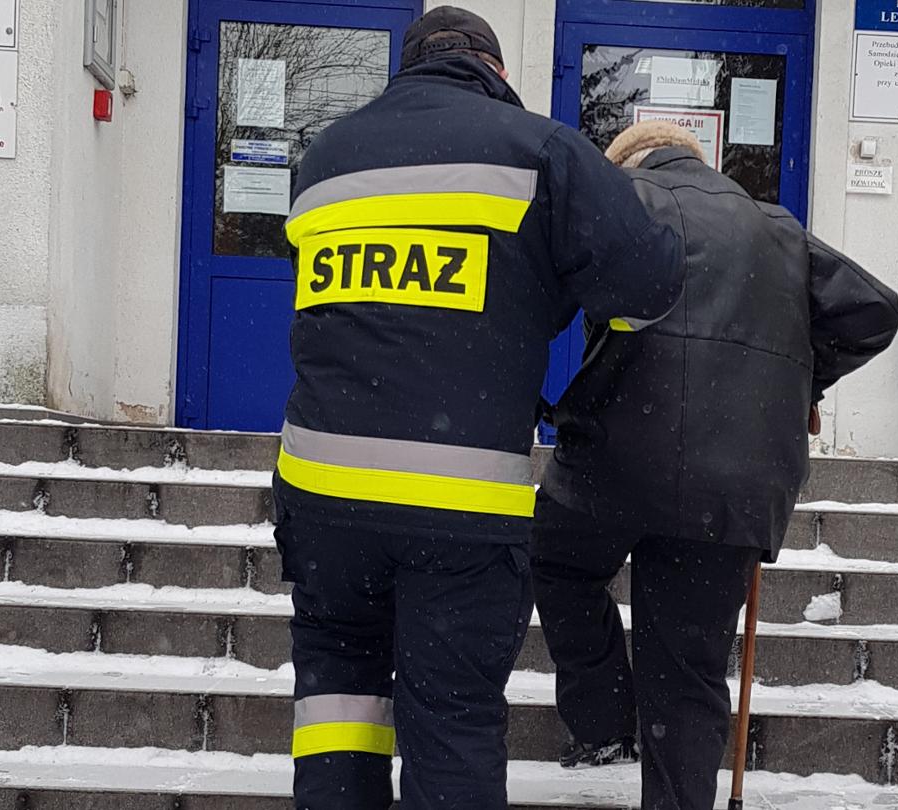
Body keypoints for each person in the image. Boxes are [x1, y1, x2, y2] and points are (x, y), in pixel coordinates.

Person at [273, 8, 684, 810]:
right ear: (495, 71)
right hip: (456, 507)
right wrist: (551, 296)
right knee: (452, 721)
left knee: (336, 707)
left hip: (322, 501)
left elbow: (356, 304)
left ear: (408, 67)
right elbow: (648, 283)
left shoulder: (323, 157)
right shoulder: (538, 149)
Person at [532, 121, 898, 810]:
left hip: (614, 460)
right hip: (731, 483)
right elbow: (875, 311)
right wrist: (798, 380)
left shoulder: (623, 200)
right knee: (687, 671)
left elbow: (539, 291)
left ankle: (603, 719)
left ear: (628, 162)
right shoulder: (777, 228)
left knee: (558, 565)